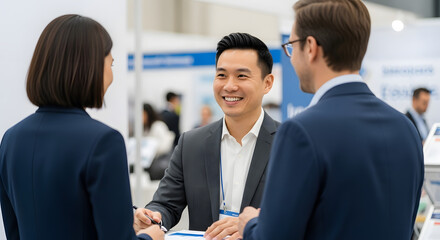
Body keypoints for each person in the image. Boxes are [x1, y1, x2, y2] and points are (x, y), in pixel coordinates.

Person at [238, 1, 424, 239]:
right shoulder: (406, 128)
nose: (292, 58)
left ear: (311, 47)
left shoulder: (301, 132)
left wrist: (251, 224)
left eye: (292, 46)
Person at [0, 14, 163, 240]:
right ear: (90, 68)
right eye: (111, 64)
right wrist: (151, 237)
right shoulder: (104, 142)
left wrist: (126, 215)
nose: (112, 76)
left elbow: (23, 226)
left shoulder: (11, 139)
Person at [133, 32, 280, 240]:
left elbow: (304, 210)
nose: (229, 85)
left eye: (241, 76)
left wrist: (253, 224)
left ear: (267, 83)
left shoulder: (288, 143)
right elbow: (166, 204)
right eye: (221, 75)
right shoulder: (191, 143)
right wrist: (153, 216)